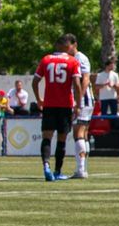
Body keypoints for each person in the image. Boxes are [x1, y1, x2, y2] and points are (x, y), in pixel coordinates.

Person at [33, 35, 84, 181]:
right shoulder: (73, 61)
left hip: (49, 104)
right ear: (68, 47)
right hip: (65, 105)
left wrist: (39, 100)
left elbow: (35, 81)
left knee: (47, 137)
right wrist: (78, 105)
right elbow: (77, 84)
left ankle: (46, 166)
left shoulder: (46, 59)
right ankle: (57, 171)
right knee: (62, 139)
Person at [66, 35, 94, 179]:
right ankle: (83, 167)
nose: (66, 48)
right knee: (84, 133)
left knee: (78, 132)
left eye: (68, 45)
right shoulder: (71, 58)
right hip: (85, 100)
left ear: (74, 44)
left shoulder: (80, 58)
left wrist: (79, 99)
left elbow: (86, 79)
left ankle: (81, 169)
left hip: (83, 99)